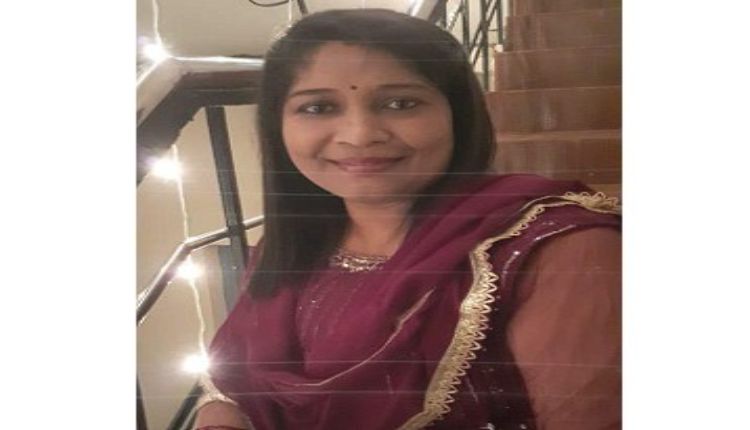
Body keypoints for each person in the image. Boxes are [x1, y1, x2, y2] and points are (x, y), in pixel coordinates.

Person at [193, 8, 621, 430]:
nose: (360, 135)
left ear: (457, 114)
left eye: (400, 103)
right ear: (278, 127)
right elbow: (234, 383)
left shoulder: (557, 249)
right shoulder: (291, 247)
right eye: (319, 107)